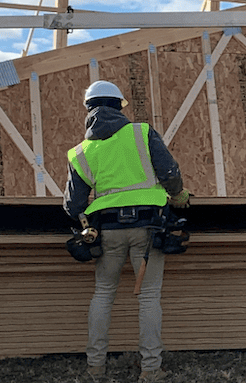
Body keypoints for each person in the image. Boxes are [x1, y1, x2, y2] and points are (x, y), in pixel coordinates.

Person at [65, 81, 190, 382]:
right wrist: (179, 195)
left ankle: (95, 368)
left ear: (89, 110)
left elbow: (73, 205)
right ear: (120, 106)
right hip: (148, 227)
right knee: (148, 297)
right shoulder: (141, 132)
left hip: (106, 230)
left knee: (103, 294)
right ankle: (150, 370)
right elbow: (169, 172)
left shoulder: (80, 152)